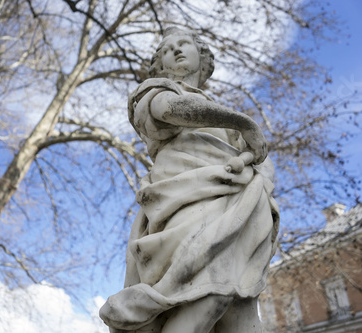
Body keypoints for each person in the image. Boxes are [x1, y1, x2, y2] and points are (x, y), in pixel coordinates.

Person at [99, 27, 280, 333]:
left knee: (242, 312)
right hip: (186, 203)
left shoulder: (220, 113)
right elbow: (171, 110)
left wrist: (259, 167)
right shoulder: (155, 92)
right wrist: (243, 122)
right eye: (167, 49)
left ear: (202, 58)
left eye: (185, 44)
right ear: (160, 65)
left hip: (236, 204)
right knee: (210, 295)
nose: (177, 50)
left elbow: (261, 159)